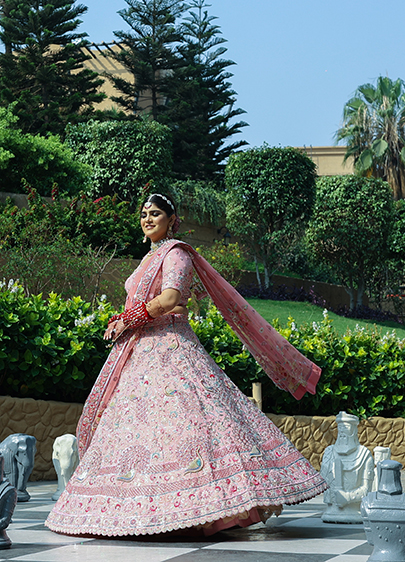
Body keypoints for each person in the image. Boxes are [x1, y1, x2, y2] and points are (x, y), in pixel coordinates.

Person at [45, 193, 328, 537]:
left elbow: (171, 298)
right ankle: (140, 509)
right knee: (140, 432)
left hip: (172, 349)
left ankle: (203, 510)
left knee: (191, 423)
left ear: (171, 219)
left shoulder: (176, 253)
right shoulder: (148, 258)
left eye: (156, 214)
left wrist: (129, 317)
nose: (148, 219)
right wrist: (128, 320)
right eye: (144, 214)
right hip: (141, 353)